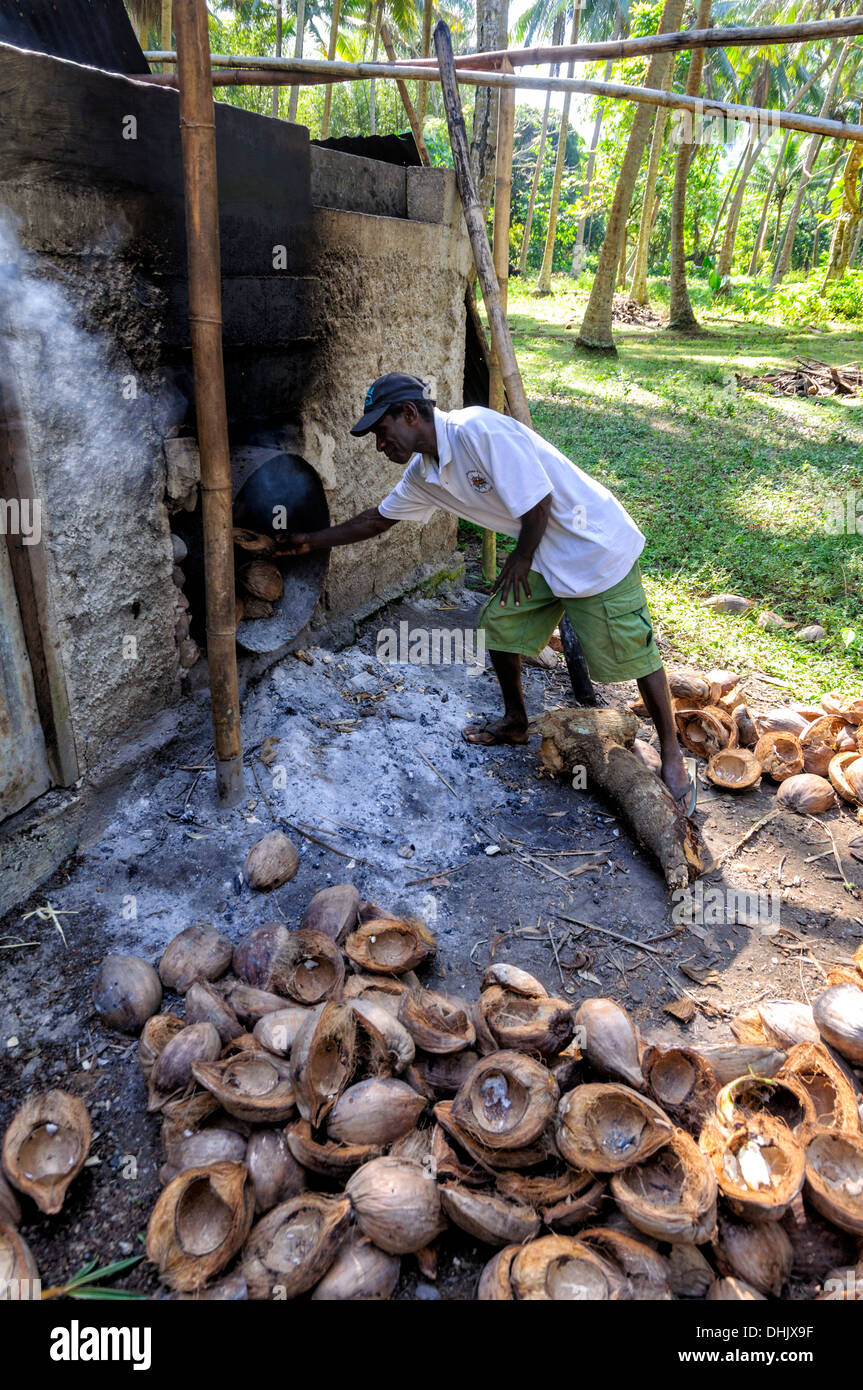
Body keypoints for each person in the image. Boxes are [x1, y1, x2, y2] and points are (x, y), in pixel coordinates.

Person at [276, 372, 694, 811]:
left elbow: (539, 503)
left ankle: (671, 754)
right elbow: (376, 520)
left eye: (381, 432)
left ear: (409, 414)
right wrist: (301, 542)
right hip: (538, 552)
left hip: (590, 544)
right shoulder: (425, 475)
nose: (380, 446)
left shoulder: (478, 430)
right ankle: (516, 722)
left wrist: (521, 557)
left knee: (633, 654)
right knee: (499, 623)